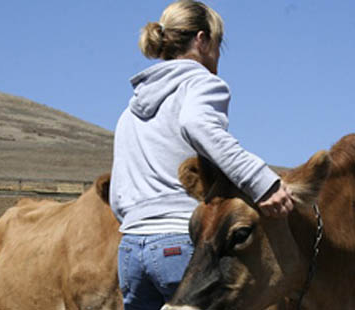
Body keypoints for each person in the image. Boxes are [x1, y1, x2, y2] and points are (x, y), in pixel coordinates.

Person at [109, 1, 294, 309]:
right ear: (201, 40)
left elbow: (118, 196)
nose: (219, 53)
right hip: (179, 243)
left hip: (130, 251)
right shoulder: (201, 83)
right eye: (219, 43)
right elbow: (197, 123)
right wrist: (263, 183)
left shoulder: (130, 110)